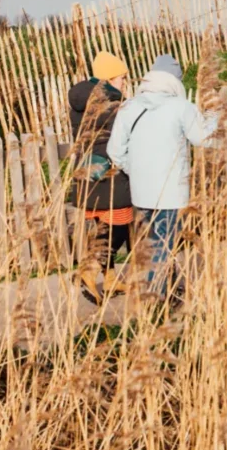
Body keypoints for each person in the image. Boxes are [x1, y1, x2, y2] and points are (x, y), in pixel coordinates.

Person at [108, 55, 217, 301]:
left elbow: (114, 151)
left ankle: (159, 291)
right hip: (171, 192)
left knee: (153, 244)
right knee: (163, 245)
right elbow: (204, 140)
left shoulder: (129, 107)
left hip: (141, 192)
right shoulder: (181, 107)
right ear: (174, 81)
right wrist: (213, 117)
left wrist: (134, 169)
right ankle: (158, 298)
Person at [67, 51, 134, 303]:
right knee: (117, 224)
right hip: (110, 173)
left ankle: (111, 279)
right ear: (110, 78)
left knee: (104, 224)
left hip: (87, 171)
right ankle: (91, 269)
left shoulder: (81, 101)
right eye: (122, 78)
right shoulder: (112, 104)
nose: (124, 82)